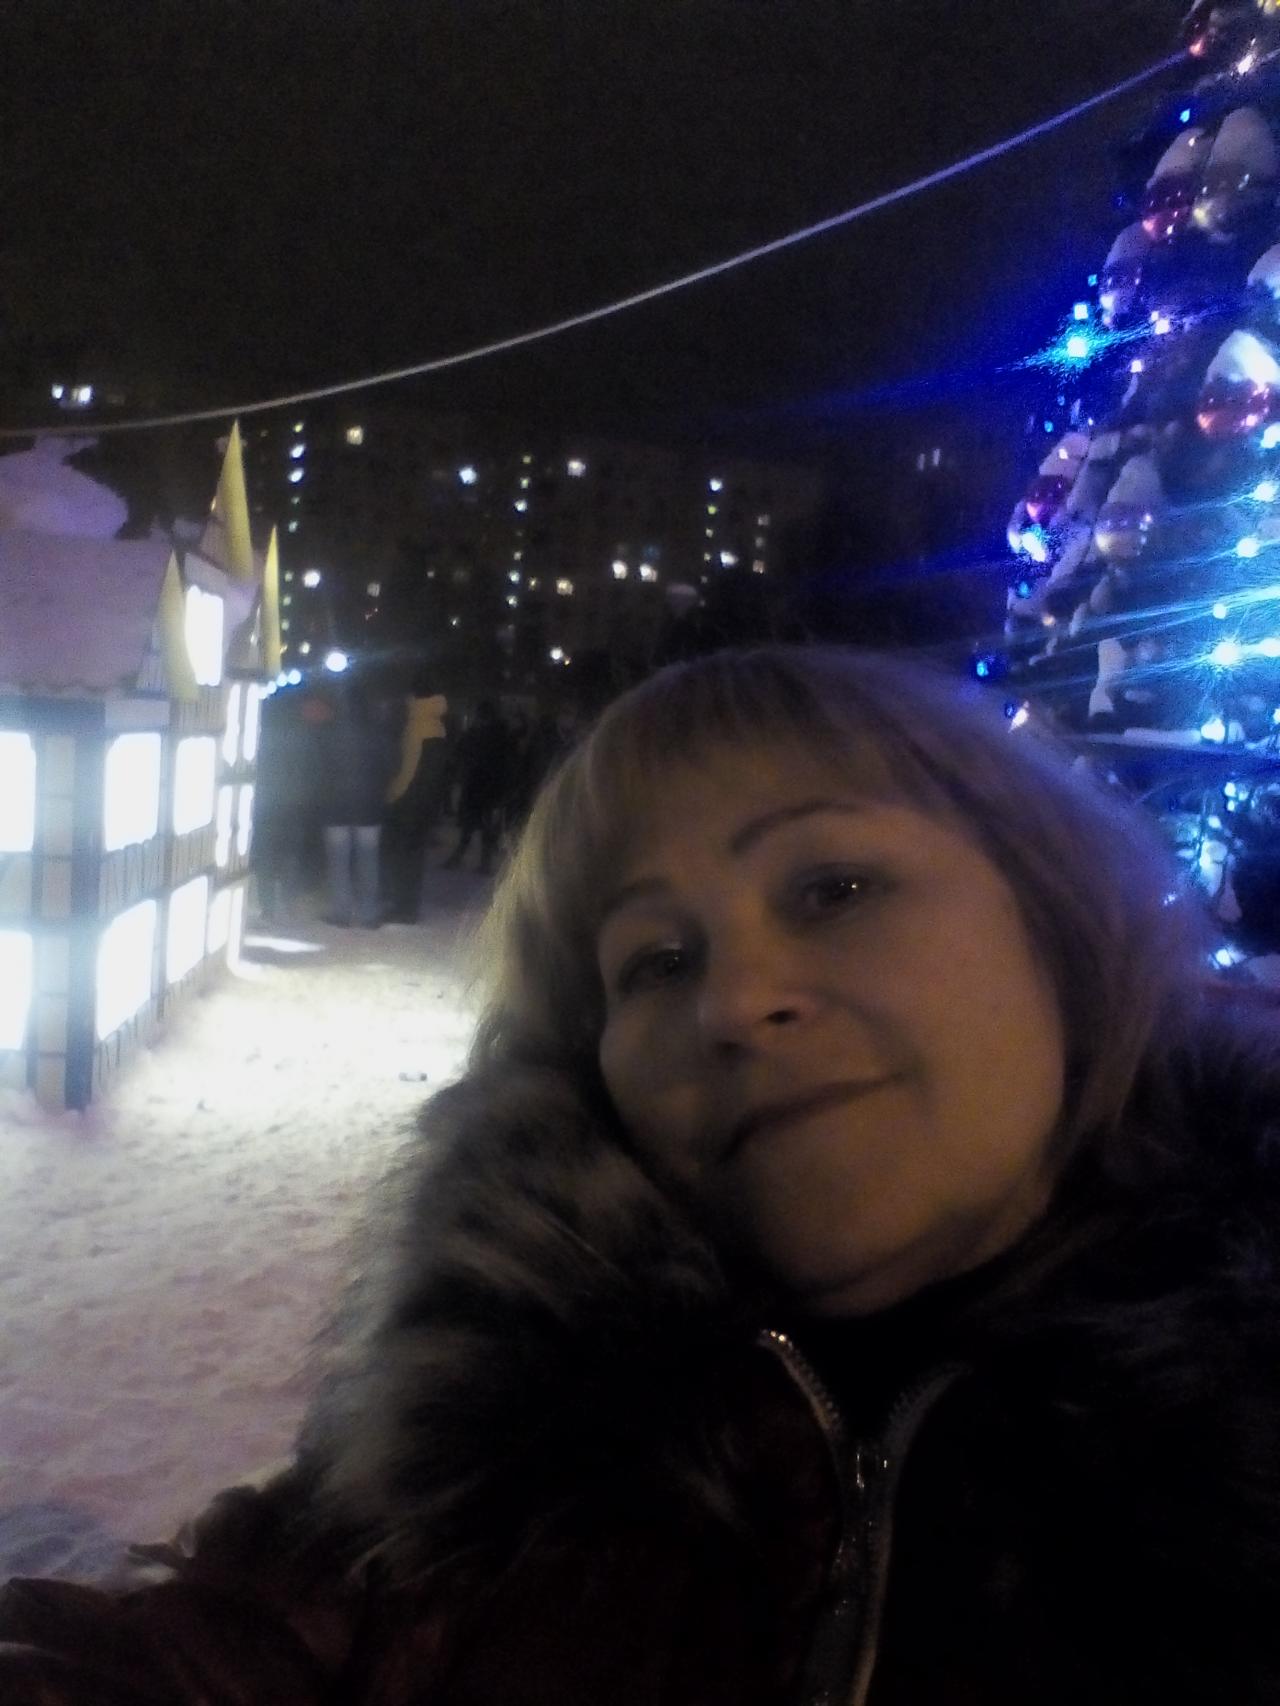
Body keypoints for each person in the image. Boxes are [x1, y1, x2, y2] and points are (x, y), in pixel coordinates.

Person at [3, 644, 1280, 1705]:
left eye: (832, 886)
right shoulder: (498, 1442)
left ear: (1059, 916)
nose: (731, 1001)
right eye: (654, 961)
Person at [317, 681, 398, 927]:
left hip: (335, 805)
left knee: (338, 862)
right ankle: (368, 913)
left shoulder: (328, 732)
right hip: (369, 806)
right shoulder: (377, 733)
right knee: (369, 860)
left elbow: (319, 767)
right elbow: (390, 765)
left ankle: (340, 911)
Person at [381, 689, 449, 921]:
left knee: (403, 855)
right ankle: (407, 905)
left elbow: (408, 770)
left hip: (410, 801)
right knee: (414, 856)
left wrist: (392, 794)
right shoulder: (437, 726)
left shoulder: (416, 728)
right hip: (426, 800)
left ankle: (403, 907)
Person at [442, 698, 511, 875]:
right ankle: (480, 862)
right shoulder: (500, 735)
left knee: (472, 825)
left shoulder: (479, 734)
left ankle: (463, 857)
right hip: (488, 788)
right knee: (481, 826)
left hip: (478, 786)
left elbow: (459, 753)